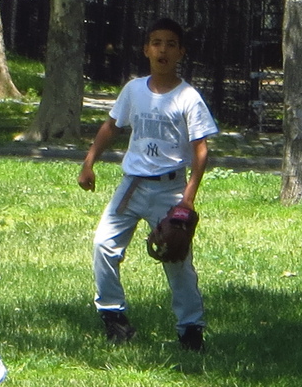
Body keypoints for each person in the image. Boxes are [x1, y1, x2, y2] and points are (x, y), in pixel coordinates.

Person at [79, 17, 215, 349]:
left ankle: (190, 329)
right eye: (156, 43)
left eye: (170, 44)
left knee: (177, 259)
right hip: (133, 185)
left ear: (180, 52)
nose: (163, 50)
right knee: (103, 245)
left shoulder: (188, 97)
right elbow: (112, 126)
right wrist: (89, 162)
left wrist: (188, 198)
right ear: (146, 50)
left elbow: (200, 149)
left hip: (170, 189)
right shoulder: (134, 90)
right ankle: (113, 316)